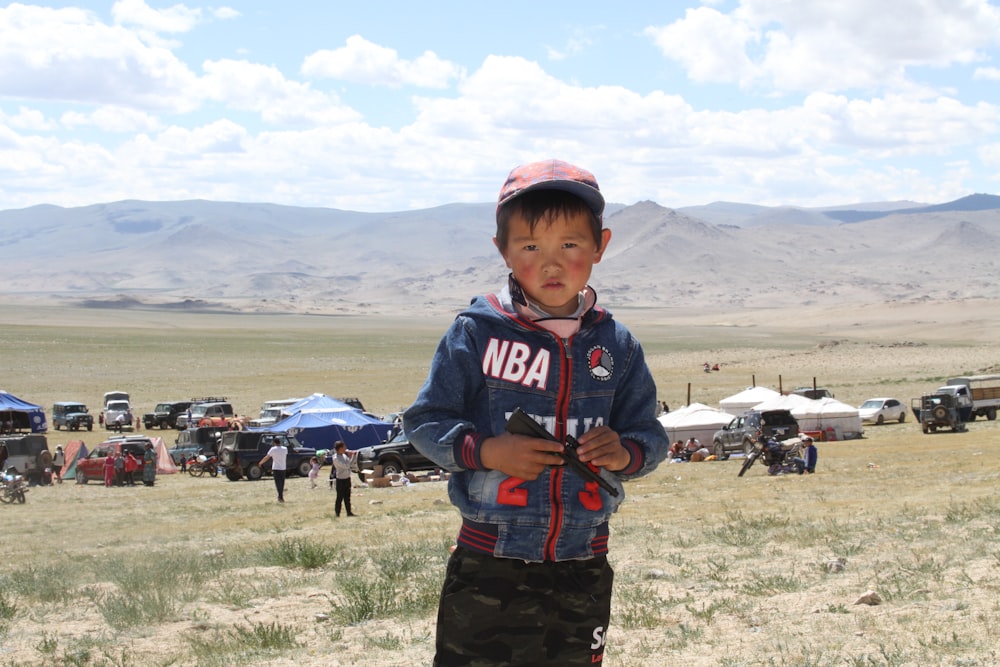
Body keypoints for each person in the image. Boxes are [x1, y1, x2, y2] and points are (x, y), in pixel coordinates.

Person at [403, 158, 669, 666]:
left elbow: (650, 438)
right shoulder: (476, 333)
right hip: (491, 559)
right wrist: (487, 450)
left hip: (583, 562)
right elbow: (424, 422)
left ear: (600, 247)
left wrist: (625, 452)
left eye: (569, 245)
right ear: (502, 249)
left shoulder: (617, 345)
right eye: (530, 247)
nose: (551, 264)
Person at [329, 441, 358, 517]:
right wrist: (350, 457)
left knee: (347, 497)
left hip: (347, 478)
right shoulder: (335, 458)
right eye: (343, 447)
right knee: (339, 497)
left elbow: (350, 464)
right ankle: (337, 513)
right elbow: (345, 466)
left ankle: (349, 512)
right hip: (340, 480)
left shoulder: (344, 456)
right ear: (340, 448)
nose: (345, 448)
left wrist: (353, 456)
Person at [259, 436, 288, 503]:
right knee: (282, 482)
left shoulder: (273, 449)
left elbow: (267, 457)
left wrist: (261, 462)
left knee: (278, 483)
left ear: (274, 443)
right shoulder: (285, 449)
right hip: (283, 467)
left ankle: (280, 496)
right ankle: (280, 496)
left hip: (276, 467)